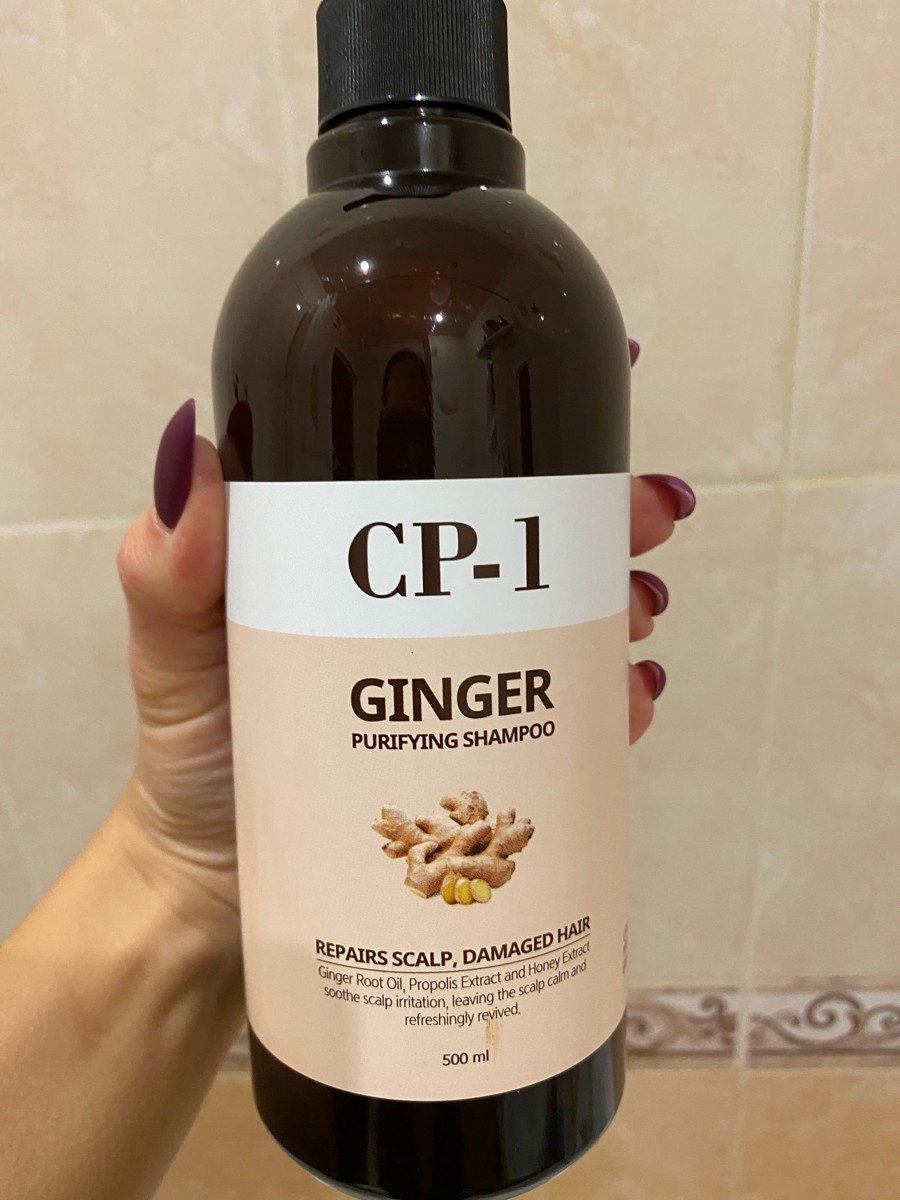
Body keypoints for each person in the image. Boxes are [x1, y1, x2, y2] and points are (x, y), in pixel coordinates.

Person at [0, 341, 695, 1200]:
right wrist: (183, 866)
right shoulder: (296, 304)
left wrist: (181, 879)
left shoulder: (548, 292)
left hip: (561, 1017)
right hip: (326, 1013)